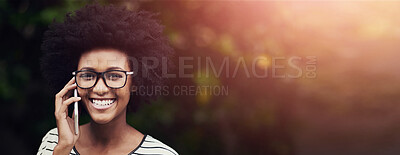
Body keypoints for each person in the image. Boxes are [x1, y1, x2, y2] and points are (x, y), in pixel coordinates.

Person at [37, 3, 177, 155]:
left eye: (115, 76)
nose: (100, 89)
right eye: (88, 75)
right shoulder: (54, 142)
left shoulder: (160, 153)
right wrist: (64, 148)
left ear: (135, 82)